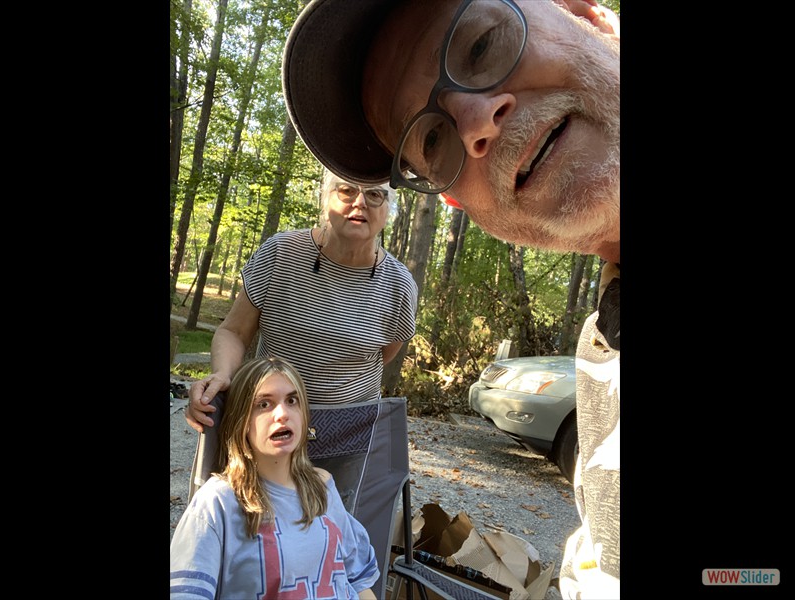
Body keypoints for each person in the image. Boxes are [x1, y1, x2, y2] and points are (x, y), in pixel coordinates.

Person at [281, 0, 620, 597]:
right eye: (434, 138)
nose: (475, 121)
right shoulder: (602, 357)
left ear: (589, 16)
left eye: (484, 46)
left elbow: (391, 348)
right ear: (460, 204)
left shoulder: (395, 284)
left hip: (353, 429)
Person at [185, 169, 418, 433]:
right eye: (347, 190)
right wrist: (222, 374)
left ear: (389, 210)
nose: (360, 202)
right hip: (267, 422)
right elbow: (234, 331)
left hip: (350, 433)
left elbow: (383, 354)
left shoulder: (399, 284)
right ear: (325, 199)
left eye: (374, 194)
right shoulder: (280, 253)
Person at [171, 356, 379, 599]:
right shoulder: (218, 501)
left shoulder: (322, 486)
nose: (282, 414)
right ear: (241, 422)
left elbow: (358, 580)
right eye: (263, 404)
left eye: (292, 401)